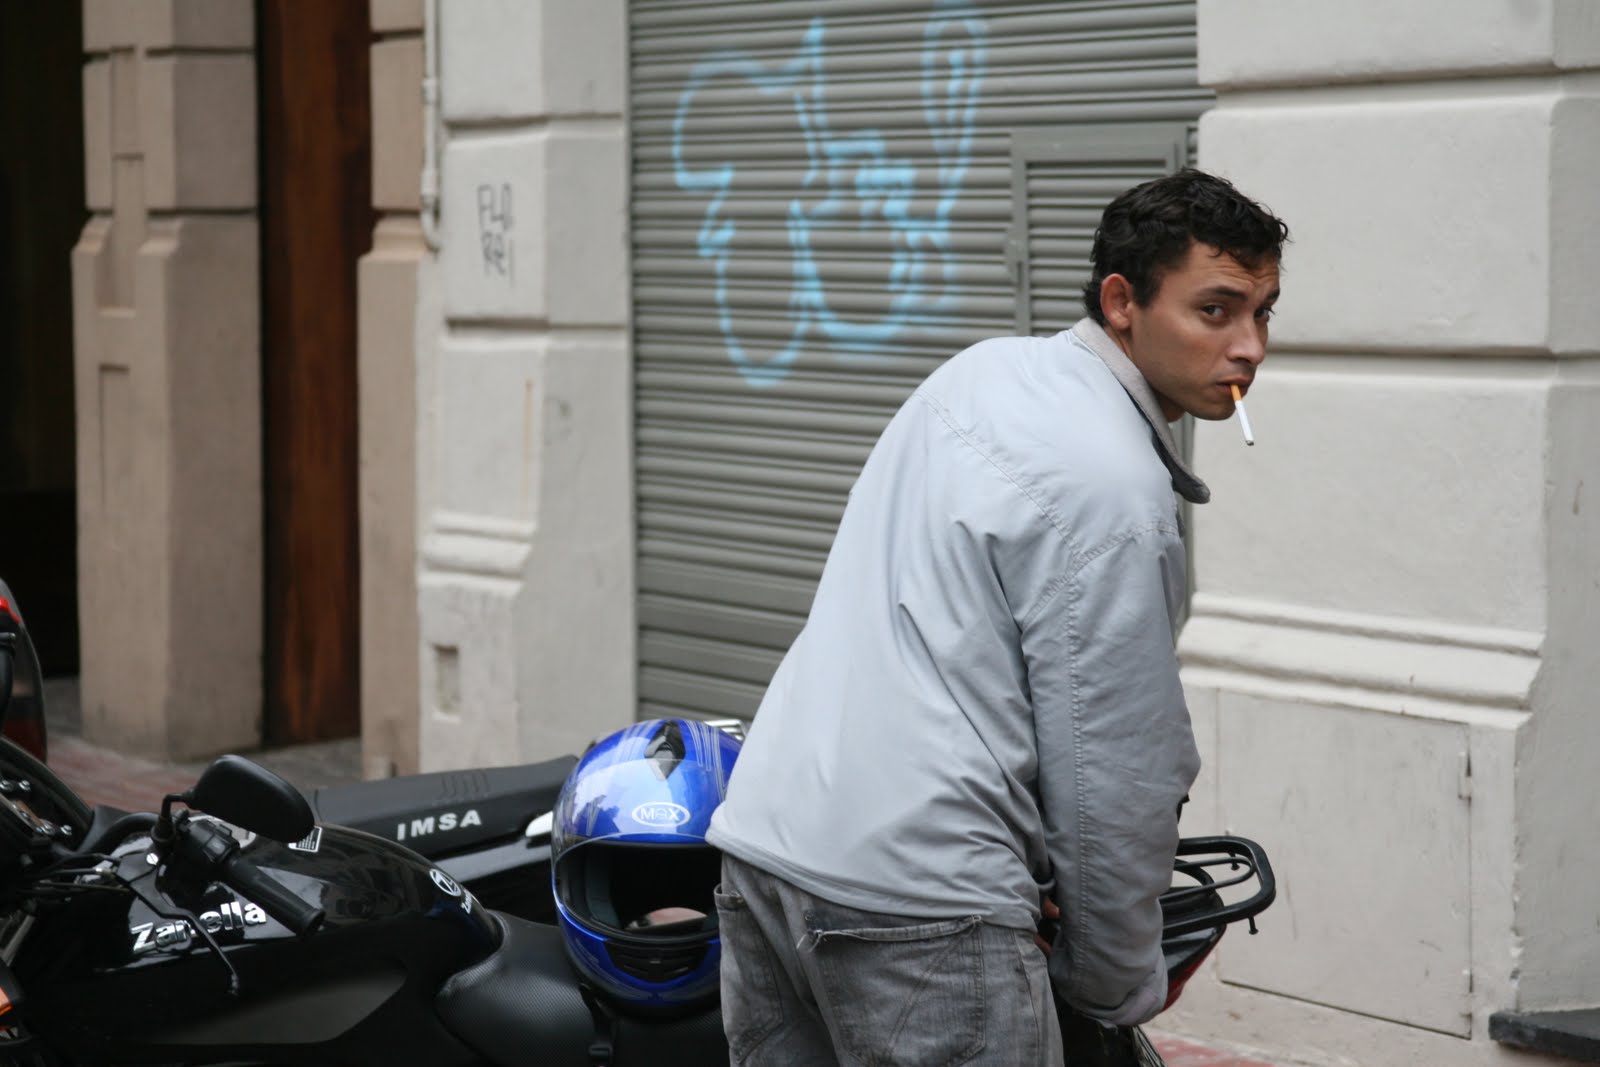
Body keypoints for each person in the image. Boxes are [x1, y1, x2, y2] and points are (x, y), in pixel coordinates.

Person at [705, 168, 1288, 1066]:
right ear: (1122, 301)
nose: (1249, 347)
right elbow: (1117, 774)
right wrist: (1109, 985)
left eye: (1264, 313)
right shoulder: (1117, 491)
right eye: (1216, 310)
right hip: (921, 907)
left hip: (769, 845)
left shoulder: (982, 374)